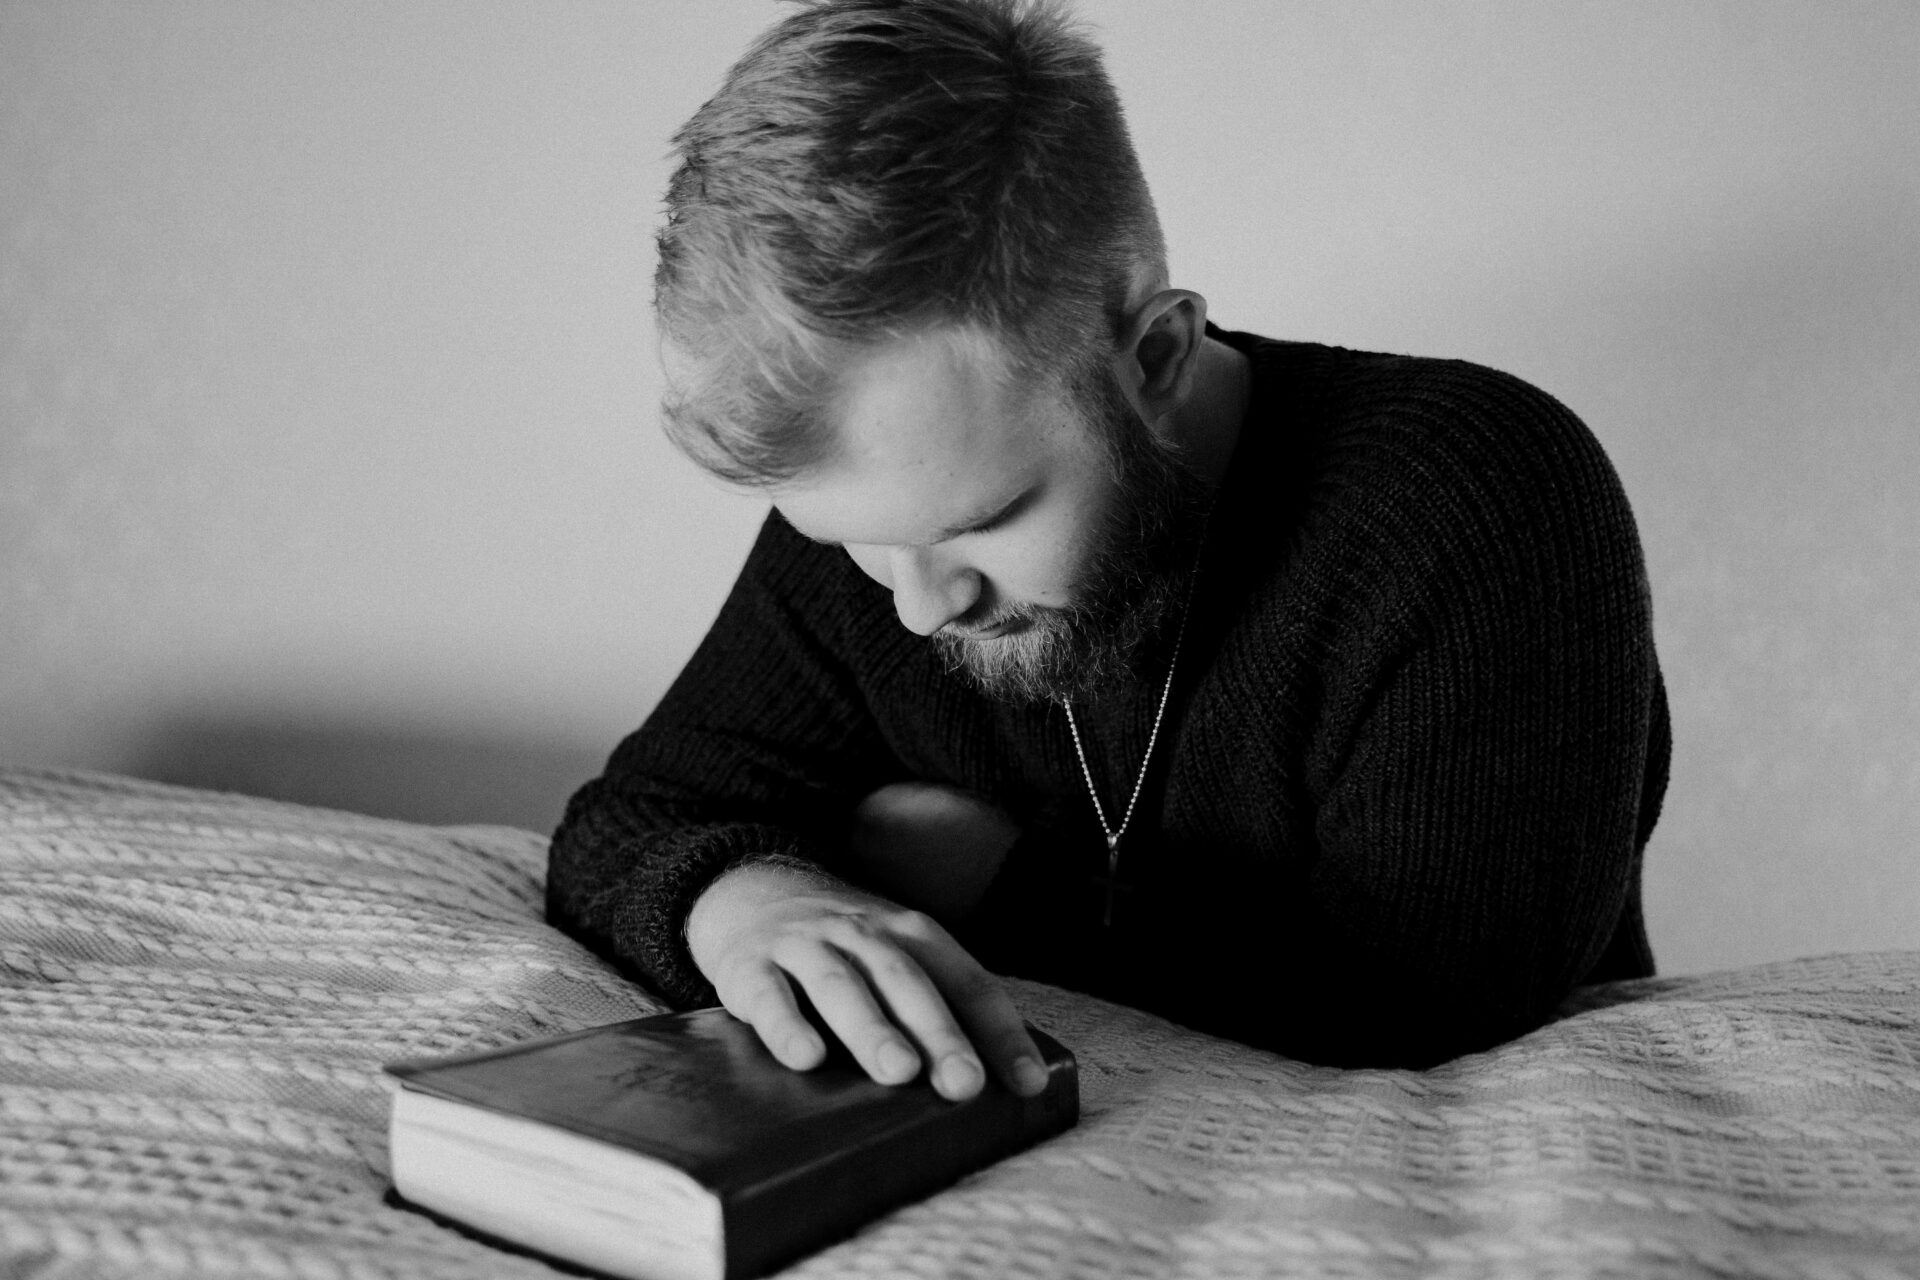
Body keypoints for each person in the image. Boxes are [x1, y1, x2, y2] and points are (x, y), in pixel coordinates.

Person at [549, 0, 1669, 1102]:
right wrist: (752, 902)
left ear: (1158, 355)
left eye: (980, 521)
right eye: (853, 542)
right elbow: (632, 816)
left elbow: (1426, 1003)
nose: (918, 607)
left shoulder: (1474, 494)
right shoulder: (892, 513)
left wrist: (996, 883)